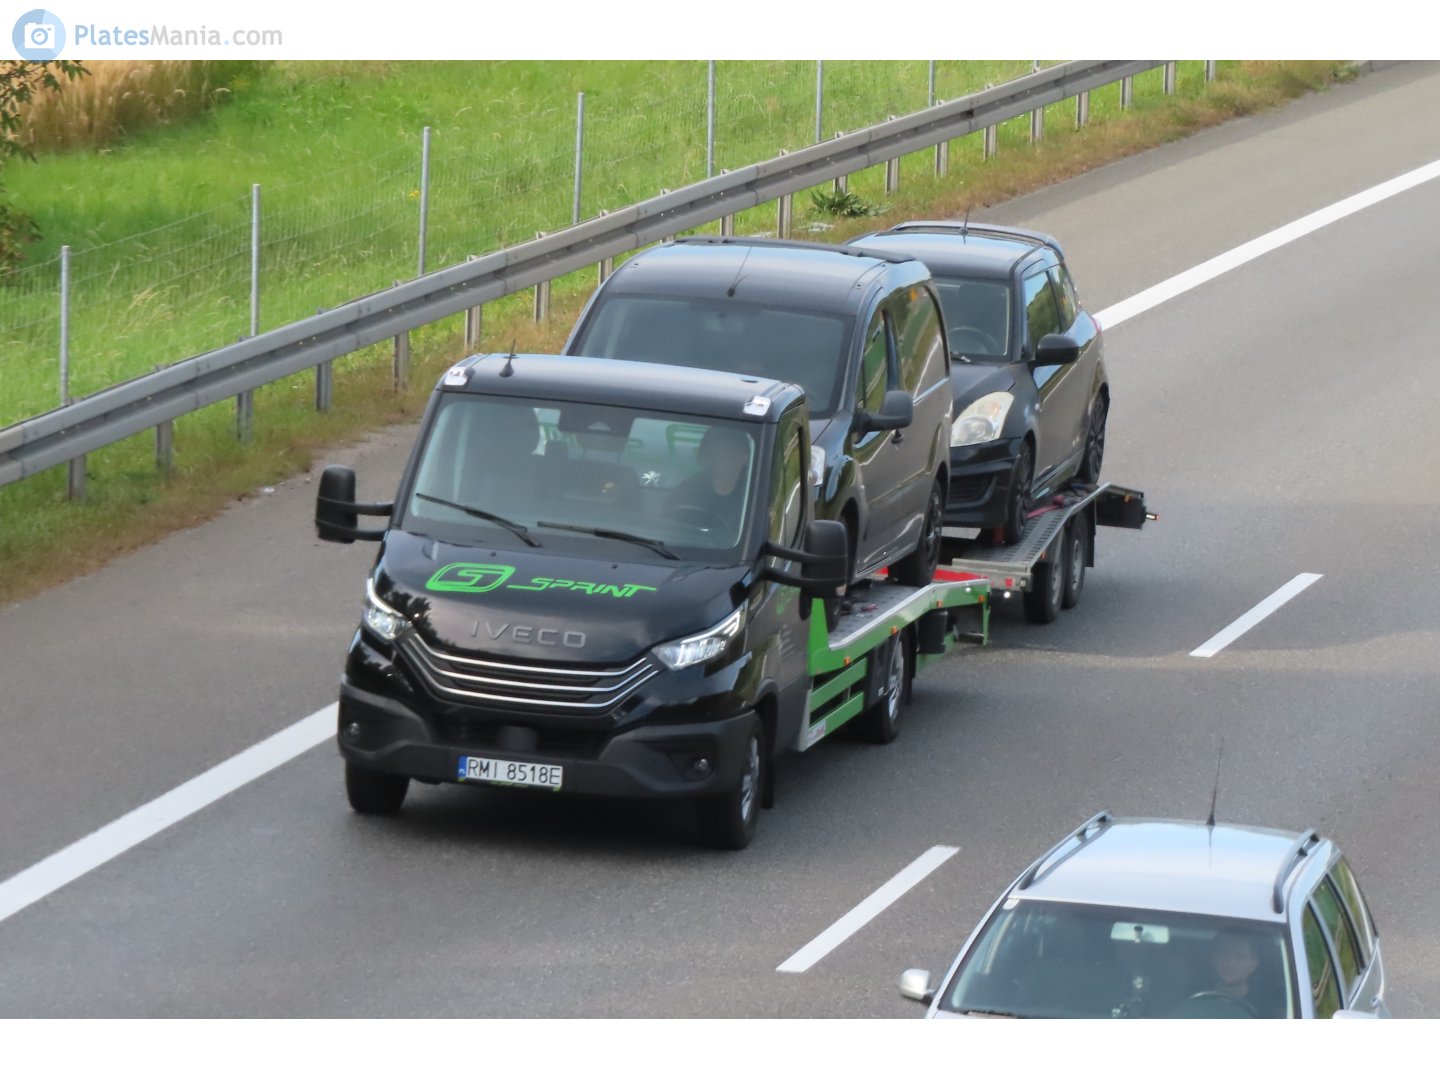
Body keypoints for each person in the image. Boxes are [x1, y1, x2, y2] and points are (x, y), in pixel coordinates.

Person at [666, 425, 751, 538]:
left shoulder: (754, 496)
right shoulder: (686, 491)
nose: (721, 458)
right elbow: (667, 531)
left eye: (728, 452)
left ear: (744, 458)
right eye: (716, 452)